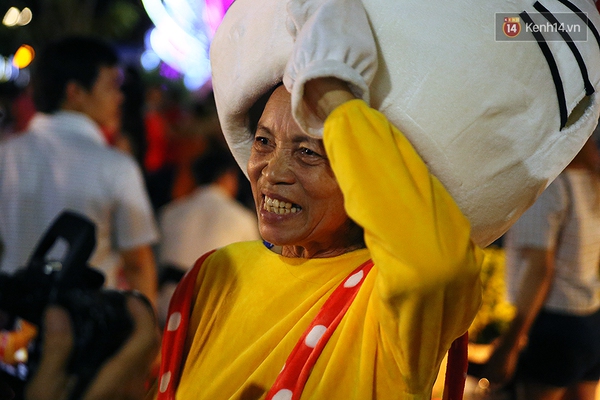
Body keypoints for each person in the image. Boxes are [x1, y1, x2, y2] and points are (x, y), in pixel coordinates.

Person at [19, 1, 484, 399]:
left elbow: (437, 266)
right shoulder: (215, 274)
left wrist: (332, 94)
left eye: (308, 152)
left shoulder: (386, 298)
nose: (272, 173)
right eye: (263, 142)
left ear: (364, 172)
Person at [0, 36, 159, 305]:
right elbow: (137, 264)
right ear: (75, 93)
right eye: (111, 86)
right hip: (86, 327)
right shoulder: (115, 166)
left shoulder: (6, 154)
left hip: (11, 321)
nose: (119, 97)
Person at [482, 137, 600, 400]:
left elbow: (539, 270)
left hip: (556, 325)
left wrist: (509, 344)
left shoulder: (550, 187)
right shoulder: (591, 179)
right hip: (590, 318)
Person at [157, 141, 260, 271]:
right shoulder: (242, 219)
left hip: (173, 290)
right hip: (216, 290)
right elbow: (252, 269)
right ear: (228, 176)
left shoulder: (169, 213)